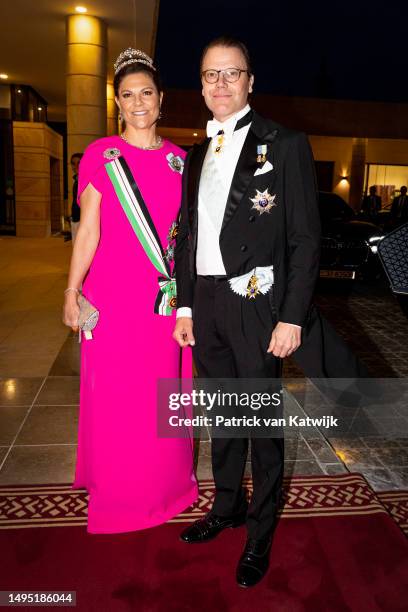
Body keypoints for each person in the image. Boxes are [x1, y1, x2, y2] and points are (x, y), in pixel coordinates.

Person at [173, 37, 320, 587]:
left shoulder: (285, 144)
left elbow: (306, 240)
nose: (220, 84)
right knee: (222, 417)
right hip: (205, 303)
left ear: (250, 81)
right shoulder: (194, 152)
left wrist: (292, 317)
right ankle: (227, 507)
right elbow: (189, 237)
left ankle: (260, 536)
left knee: (260, 424)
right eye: (210, 75)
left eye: (231, 73)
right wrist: (185, 304)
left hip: (259, 306)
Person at [63, 48, 198, 534]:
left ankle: (168, 488)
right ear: (117, 103)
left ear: (161, 100)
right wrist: (71, 291)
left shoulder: (183, 163)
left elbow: (190, 242)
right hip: (114, 301)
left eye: (146, 93)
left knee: (163, 399)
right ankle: (119, 490)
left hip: (163, 303)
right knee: (118, 400)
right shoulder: (102, 155)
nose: (138, 103)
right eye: (127, 95)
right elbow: (89, 230)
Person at [70, 153, 83, 244]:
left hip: (81, 221)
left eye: (79, 163)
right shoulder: (77, 179)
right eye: (73, 163)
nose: (76, 166)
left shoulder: (85, 180)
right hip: (76, 219)